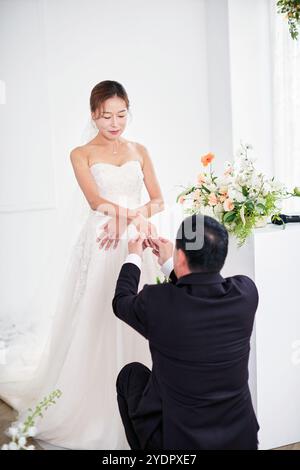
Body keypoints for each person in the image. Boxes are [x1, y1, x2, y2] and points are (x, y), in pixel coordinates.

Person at [1, 80, 165, 450]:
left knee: (141, 317)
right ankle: (92, 404)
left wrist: (133, 219)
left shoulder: (140, 149)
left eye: (121, 114)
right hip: (102, 242)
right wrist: (130, 219)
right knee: (97, 317)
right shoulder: (80, 153)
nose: (114, 122)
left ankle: (146, 396)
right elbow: (94, 202)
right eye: (106, 115)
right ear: (93, 114)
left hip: (135, 238)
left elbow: (158, 200)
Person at [113, 214, 260, 450]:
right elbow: (196, 295)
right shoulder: (246, 293)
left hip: (179, 443)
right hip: (239, 439)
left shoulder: (157, 302)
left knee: (130, 375)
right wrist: (171, 264)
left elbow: (121, 302)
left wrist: (133, 255)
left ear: (180, 255)